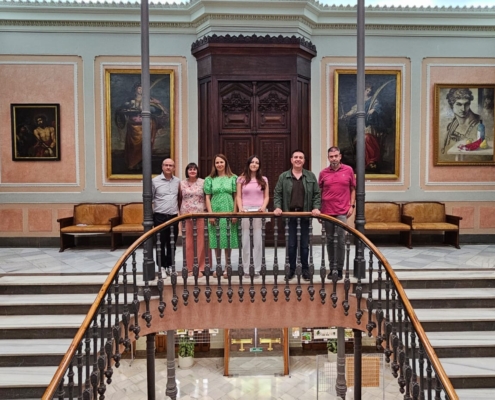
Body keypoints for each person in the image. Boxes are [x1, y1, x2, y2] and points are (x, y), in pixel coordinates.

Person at [273, 150, 321, 281]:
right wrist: (277, 207)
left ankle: (305, 270)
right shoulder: (284, 176)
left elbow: (317, 194)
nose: (298, 159)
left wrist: (316, 208)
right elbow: (277, 193)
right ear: (291, 160)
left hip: (305, 215)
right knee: (291, 245)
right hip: (289, 216)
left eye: (301, 157)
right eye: (295, 157)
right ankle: (291, 270)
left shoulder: (310, 176)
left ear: (304, 161)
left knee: (305, 245)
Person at [318, 146, 356, 280]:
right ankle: (332, 267)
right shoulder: (323, 173)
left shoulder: (349, 170)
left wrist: (352, 205)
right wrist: (319, 209)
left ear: (340, 157)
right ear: (328, 158)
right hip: (327, 211)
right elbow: (319, 192)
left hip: (341, 212)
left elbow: (352, 189)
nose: (333, 158)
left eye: (336, 156)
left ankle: (339, 269)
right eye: (331, 156)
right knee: (329, 240)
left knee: (340, 240)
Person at [115, 82, 168, 170]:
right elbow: (121, 110)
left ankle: (143, 163)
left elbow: (159, 110)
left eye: (142, 88)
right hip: (133, 126)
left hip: (147, 126)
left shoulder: (150, 100)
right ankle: (132, 163)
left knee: (146, 144)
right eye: (139, 88)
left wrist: (152, 106)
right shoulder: (130, 100)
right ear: (135, 89)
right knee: (133, 145)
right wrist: (127, 109)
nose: (141, 90)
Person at [204, 154, 239, 277]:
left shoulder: (233, 178)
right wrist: (211, 214)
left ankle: (227, 266)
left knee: (227, 238)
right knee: (216, 239)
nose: (219, 164)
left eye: (221, 162)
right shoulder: (209, 179)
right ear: (214, 165)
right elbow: (207, 197)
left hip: (229, 210)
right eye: (217, 162)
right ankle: (218, 266)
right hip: (215, 210)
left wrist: (235, 213)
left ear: (226, 163)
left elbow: (236, 196)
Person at [341, 82, 388, 170]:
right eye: (367, 90)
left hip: (370, 127)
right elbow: (354, 110)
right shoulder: (360, 102)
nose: (368, 92)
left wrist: (373, 110)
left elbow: (378, 107)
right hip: (362, 127)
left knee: (367, 138)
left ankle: (372, 160)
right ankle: (364, 162)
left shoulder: (373, 99)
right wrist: (346, 115)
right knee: (359, 141)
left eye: (370, 90)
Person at [236, 155, 269, 277]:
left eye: (257, 162)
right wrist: (240, 208)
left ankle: (256, 269)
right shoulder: (241, 179)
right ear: (248, 164)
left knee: (258, 241)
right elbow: (238, 196)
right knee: (245, 241)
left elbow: (266, 196)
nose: (254, 164)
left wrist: (263, 207)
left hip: (259, 211)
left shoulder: (263, 179)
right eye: (252, 162)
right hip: (245, 211)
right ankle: (246, 269)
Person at [152, 158, 180, 274]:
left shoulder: (178, 181)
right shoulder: (155, 181)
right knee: (160, 243)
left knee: (172, 243)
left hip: (173, 216)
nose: (168, 167)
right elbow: (149, 199)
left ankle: (170, 265)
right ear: (162, 167)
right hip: (159, 216)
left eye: (171, 165)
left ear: (174, 168)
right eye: (166, 165)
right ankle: (161, 267)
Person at [179, 162, 208, 276]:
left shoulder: (203, 182)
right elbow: (179, 199)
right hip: (185, 215)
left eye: (194, 169)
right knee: (188, 242)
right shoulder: (181, 184)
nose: (192, 171)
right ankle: (189, 267)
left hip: (200, 214)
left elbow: (207, 197)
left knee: (201, 241)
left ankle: (201, 268)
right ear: (187, 171)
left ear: (197, 171)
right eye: (190, 169)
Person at [442, 88, 480, 154]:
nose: (463, 109)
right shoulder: (452, 125)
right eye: (459, 104)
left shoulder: (478, 124)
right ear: (452, 105)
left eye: (466, 104)